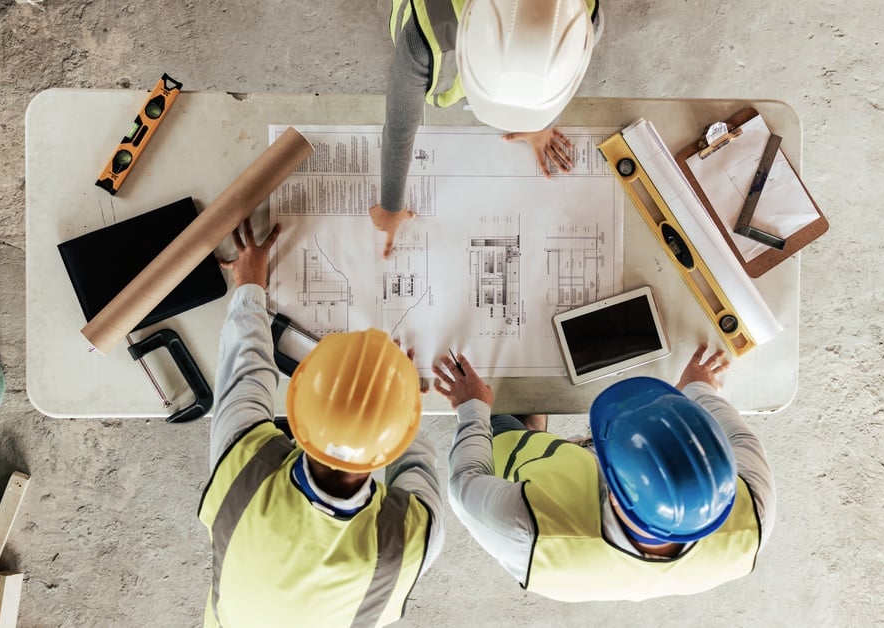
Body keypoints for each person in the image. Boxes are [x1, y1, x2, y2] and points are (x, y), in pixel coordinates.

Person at [198, 219, 445, 627]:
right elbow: (414, 464)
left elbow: (246, 367)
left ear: (297, 405)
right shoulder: (408, 541)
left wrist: (248, 284)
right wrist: (395, 399)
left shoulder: (242, 470)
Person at [435, 344, 775, 602]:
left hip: (541, 490)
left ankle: (528, 431)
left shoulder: (528, 530)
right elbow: (741, 439)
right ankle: (534, 426)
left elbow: (464, 481)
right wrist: (698, 389)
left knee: (505, 428)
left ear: (610, 485)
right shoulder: (755, 513)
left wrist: (473, 407)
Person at [371, 0, 603, 257]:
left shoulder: (581, 23)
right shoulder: (423, 37)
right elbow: (400, 126)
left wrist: (541, 124)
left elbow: (561, 75)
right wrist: (391, 206)